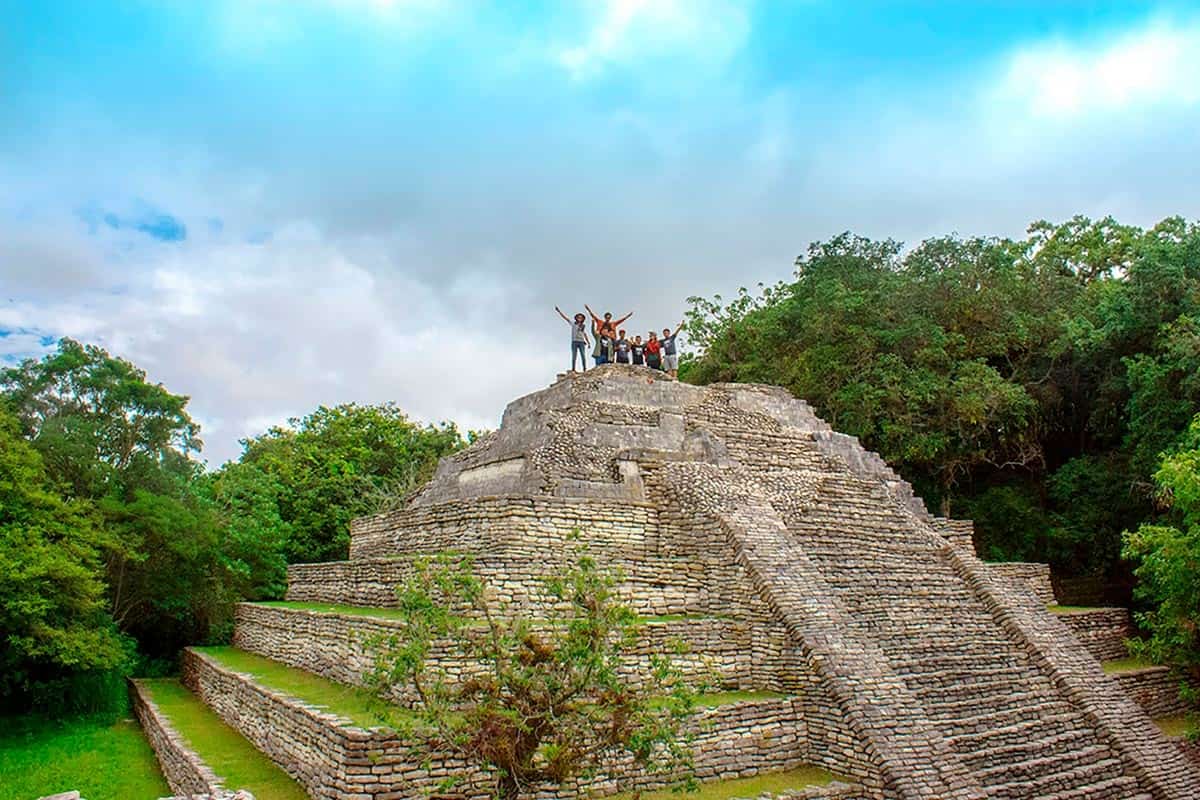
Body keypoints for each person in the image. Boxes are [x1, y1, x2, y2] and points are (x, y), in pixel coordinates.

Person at [555, 306, 591, 372]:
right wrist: (559, 311)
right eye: (578, 317)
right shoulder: (573, 324)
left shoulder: (583, 326)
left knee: (583, 355)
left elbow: (584, 334)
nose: (579, 318)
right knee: (574, 356)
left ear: (582, 319)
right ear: (576, 318)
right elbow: (566, 318)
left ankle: (584, 368)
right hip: (574, 341)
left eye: (581, 318)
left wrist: (588, 342)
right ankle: (573, 368)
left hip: (581, 342)